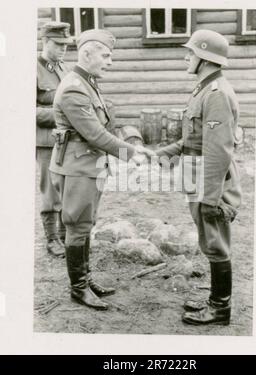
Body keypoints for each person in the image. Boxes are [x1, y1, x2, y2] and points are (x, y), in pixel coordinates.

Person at [49, 29, 154, 310]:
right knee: (77, 227)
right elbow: (94, 134)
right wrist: (130, 153)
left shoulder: (87, 83)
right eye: (105, 55)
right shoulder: (73, 87)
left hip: (87, 167)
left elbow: (103, 127)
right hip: (76, 168)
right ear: (87, 54)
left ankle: (85, 278)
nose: (110, 61)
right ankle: (78, 288)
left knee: (85, 225)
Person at [155, 30, 242, 325]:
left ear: (204, 57)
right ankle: (216, 301)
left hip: (210, 182)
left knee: (216, 243)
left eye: (190, 53)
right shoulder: (204, 89)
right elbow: (195, 137)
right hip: (198, 177)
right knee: (209, 240)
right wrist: (167, 152)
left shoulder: (217, 94)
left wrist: (211, 197)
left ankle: (220, 309)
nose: (186, 57)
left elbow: (218, 151)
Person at [36, 21, 73, 257]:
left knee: (67, 186)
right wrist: (61, 114)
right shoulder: (31, 69)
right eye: (58, 44)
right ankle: (51, 238)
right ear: (45, 41)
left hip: (67, 139)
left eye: (66, 45)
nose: (63, 49)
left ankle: (63, 234)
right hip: (47, 140)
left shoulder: (64, 69)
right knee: (50, 189)